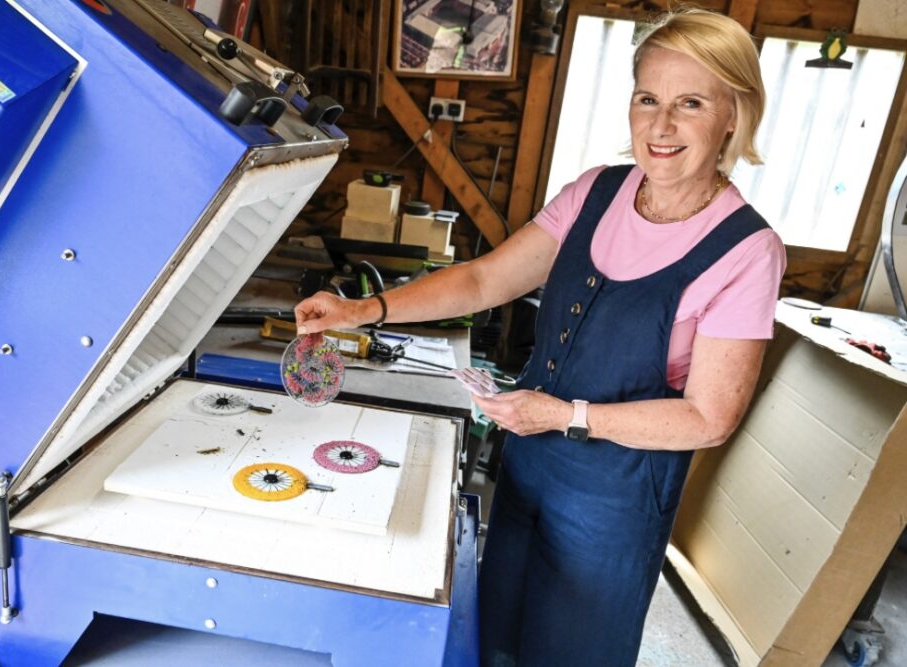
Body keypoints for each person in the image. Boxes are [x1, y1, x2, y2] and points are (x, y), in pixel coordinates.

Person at [295, 9, 786, 666]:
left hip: (612, 502)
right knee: (496, 637)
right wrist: (363, 309)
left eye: (689, 103)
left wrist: (564, 416)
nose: (661, 126)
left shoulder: (746, 250)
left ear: (734, 114)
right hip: (528, 467)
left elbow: (709, 417)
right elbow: (483, 280)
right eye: (647, 99)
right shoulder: (596, 193)